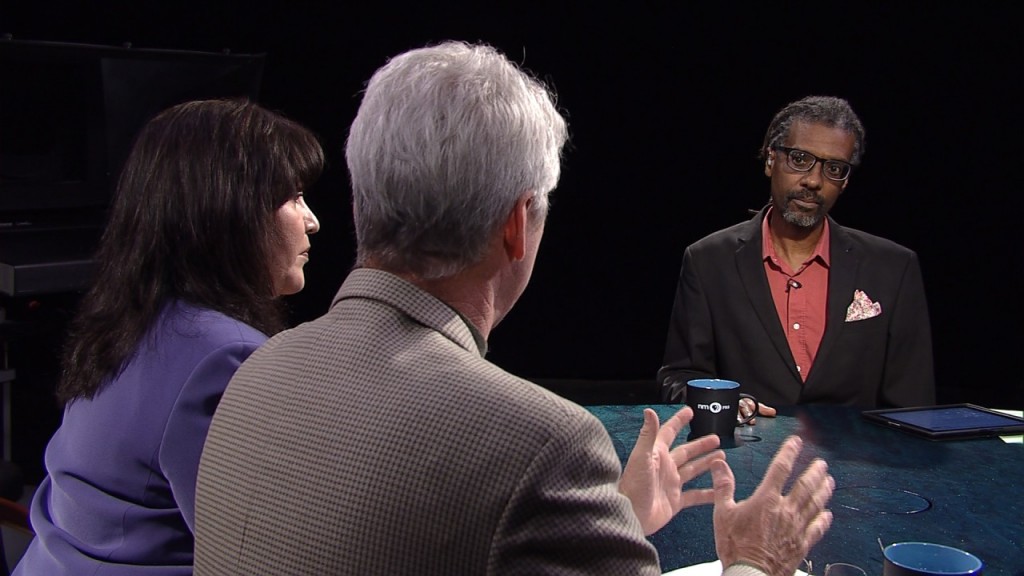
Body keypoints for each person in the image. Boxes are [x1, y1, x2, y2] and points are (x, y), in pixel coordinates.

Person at [193, 42, 834, 576]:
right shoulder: (542, 443)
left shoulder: (253, 376)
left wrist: (610, 524)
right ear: (517, 226)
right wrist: (753, 561)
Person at [13, 99, 324, 576]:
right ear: (233, 212)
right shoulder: (226, 357)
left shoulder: (129, 323)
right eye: (295, 197)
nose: (312, 221)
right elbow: (263, 555)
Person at [658, 95, 936, 413]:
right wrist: (725, 405)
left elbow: (914, 406)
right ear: (770, 160)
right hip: (747, 458)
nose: (814, 181)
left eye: (834, 168)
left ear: (845, 182)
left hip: (859, 460)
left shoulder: (894, 268)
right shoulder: (708, 261)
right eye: (800, 159)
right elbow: (680, 376)